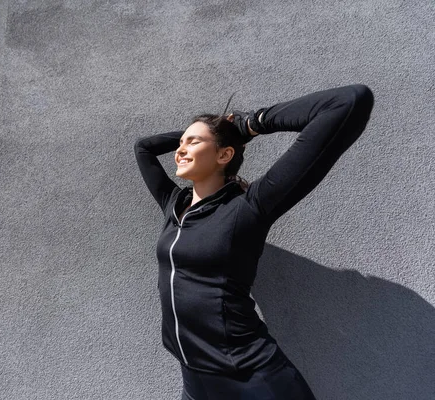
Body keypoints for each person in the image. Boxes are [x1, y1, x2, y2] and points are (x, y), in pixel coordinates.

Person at [133, 84, 375, 399]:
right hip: (194, 377)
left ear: (224, 154)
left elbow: (349, 102)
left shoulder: (249, 207)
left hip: (251, 379)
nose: (179, 150)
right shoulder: (173, 206)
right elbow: (143, 148)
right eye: (180, 143)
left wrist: (250, 124)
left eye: (192, 141)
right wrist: (220, 130)